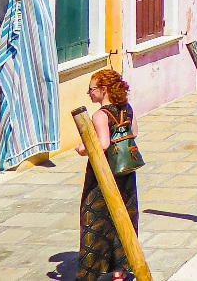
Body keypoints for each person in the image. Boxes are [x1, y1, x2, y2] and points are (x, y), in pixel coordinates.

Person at [75, 69, 139, 281]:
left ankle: (91, 272)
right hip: (126, 173)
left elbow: (102, 144)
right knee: (123, 218)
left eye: (92, 89)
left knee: (93, 219)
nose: (89, 93)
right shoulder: (126, 109)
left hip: (104, 175)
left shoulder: (100, 115)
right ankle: (120, 272)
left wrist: (82, 148)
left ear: (104, 90)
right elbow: (134, 133)